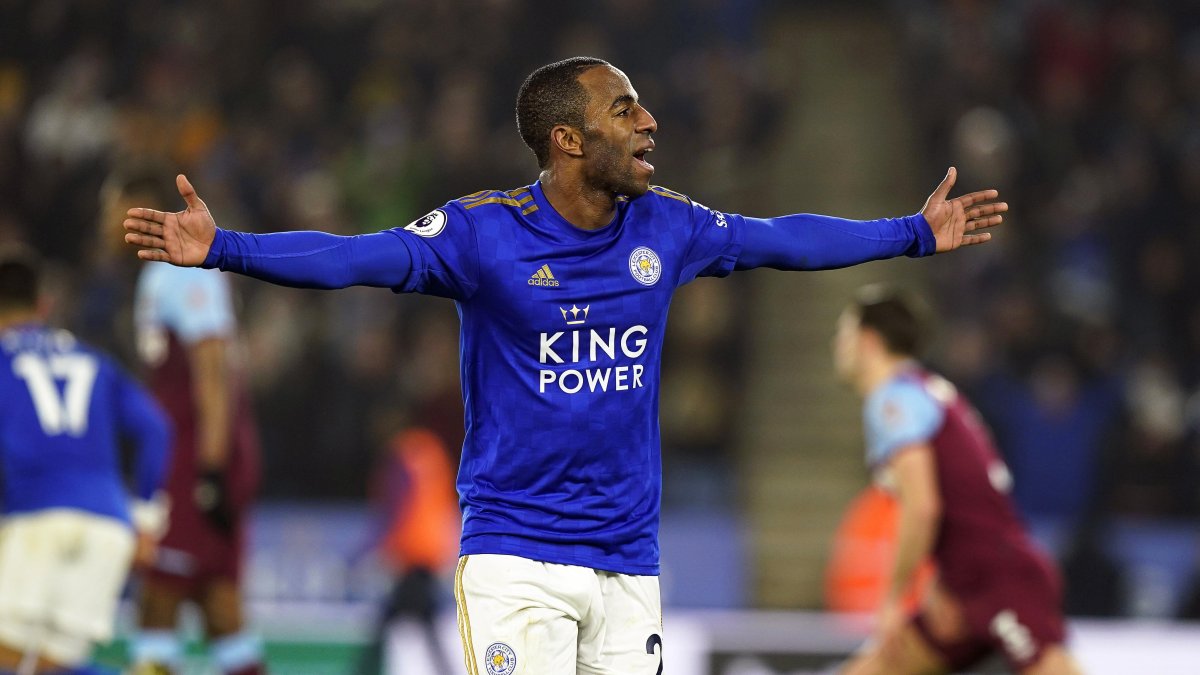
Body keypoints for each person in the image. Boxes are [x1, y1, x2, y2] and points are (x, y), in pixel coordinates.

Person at [123, 56, 1006, 674]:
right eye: (624, 109)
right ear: (567, 141)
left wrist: (913, 233)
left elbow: (782, 240)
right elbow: (355, 257)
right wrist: (225, 248)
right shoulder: (482, 235)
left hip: (629, 560)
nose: (649, 120)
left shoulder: (669, 225)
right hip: (518, 556)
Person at [831, 285, 1082, 675]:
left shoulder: (892, 401)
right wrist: (941, 574)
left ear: (868, 340)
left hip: (999, 579)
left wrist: (894, 598)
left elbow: (924, 506)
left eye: (842, 334)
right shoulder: (928, 391)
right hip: (962, 584)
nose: (838, 345)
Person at [101, 172, 266, 675]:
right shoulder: (159, 272)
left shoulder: (183, 269)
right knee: (218, 608)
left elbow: (213, 370)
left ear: (140, 208)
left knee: (159, 600)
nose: (105, 223)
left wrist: (211, 471)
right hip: (191, 456)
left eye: (113, 207)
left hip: (198, 459)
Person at [0, 250, 171, 675]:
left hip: (36, 518)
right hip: (108, 524)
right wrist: (146, 520)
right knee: (49, 665)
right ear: (43, 306)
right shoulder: (93, 360)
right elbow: (156, 430)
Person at [354, 427, 460, 675]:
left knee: (412, 621)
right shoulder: (430, 449)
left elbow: (399, 509)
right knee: (413, 620)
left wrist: (367, 551)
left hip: (413, 554)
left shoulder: (399, 459)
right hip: (431, 551)